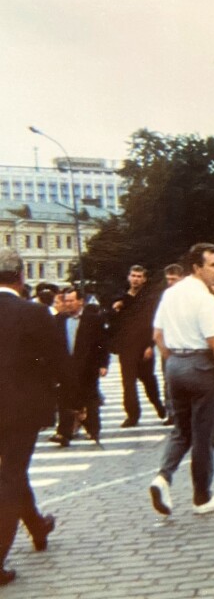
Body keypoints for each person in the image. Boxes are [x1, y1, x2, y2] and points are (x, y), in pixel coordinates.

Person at [148, 243, 214, 516]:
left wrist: (175, 358)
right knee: (205, 434)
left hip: (175, 364)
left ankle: (163, 477)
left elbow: (157, 335)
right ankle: (202, 497)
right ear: (197, 268)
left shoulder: (171, 293)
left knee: (181, 429)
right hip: (202, 367)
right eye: (213, 265)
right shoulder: (205, 299)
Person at [0, 250, 66, 585]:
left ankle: (38, 526)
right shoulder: (35, 312)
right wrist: (71, 404)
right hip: (21, 410)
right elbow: (57, 361)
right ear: (21, 277)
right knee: (12, 474)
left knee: (12, 472)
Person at [49, 287, 109, 447]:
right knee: (64, 400)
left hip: (87, 366)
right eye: (66, 301)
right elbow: (54, 345)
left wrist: (103, 364)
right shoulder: (59, 320)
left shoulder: (93, 320)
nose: (68, 304)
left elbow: (102, 344)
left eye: (71, 301)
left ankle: (93, 429)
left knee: (90, 399)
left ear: (80, 301)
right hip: (66, 367)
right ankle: (64, 433)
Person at [109, 265, 166, 427]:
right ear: (129, 277)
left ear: (144, 279)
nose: (136, 279)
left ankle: (158, 404)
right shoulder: (121, 298)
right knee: (128, 382)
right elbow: (114, 322)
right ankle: (132, 415)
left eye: (139, 276)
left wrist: (150, 345)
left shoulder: (148, 299)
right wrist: (115, 310)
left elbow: (152, 323)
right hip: (126, 347)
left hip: (143, 346)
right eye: (133, 276)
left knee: (148, 380)